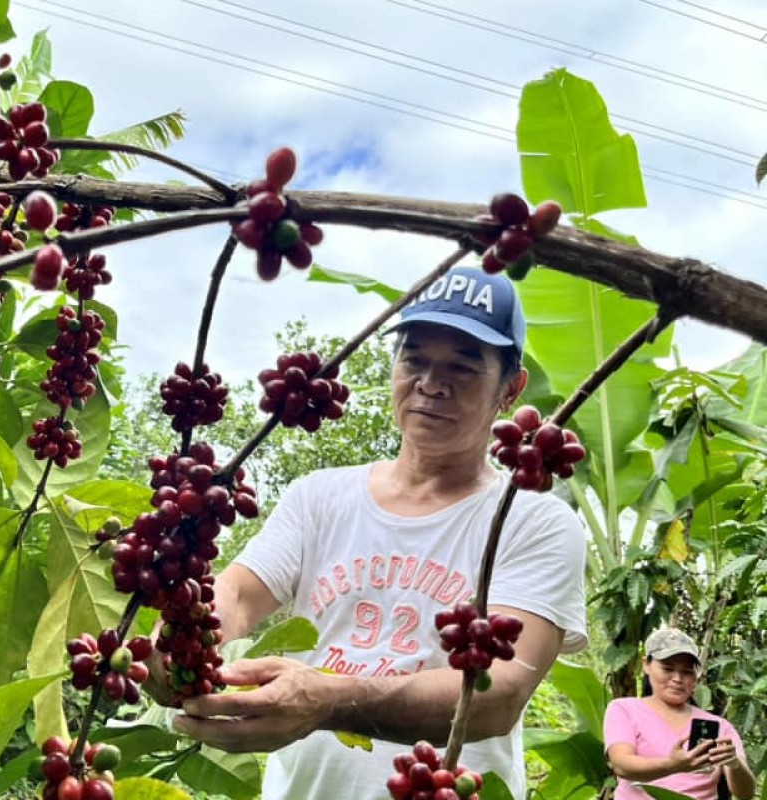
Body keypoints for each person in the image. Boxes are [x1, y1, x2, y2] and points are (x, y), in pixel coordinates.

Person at [162, 266, 590, 800]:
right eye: (415, 360)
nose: (432, 384)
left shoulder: (538, 522)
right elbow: (238, 592)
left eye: (463, 367)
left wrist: (329, 699)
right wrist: (182, 632)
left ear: (511, 389)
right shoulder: (319, 497)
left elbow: (498, 695)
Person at [603, 627, 757, 800]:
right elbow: (622, 765)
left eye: (686, 672)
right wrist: (674, 765)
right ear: (646, 664)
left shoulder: (721, 727)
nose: (677, 678)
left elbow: (746, 794)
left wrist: (734, 763)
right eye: (668, 669)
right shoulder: (624, 709)